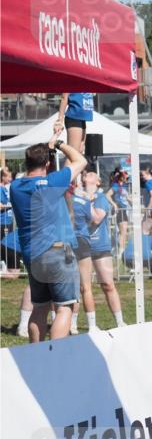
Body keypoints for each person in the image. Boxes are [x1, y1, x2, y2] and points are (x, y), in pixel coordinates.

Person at [9, 123, 88, 341]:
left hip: (32, 254)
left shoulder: (15, 187)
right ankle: (55, 355)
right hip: (57, 251)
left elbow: (37, 175)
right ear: (47, 163)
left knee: (40, 307)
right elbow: (80, 161)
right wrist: (59, 144)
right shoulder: (52, 183)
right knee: (64, 308)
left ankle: (37, 353)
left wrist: (49, 147)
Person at [72, 171, 125, 332]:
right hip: (80, 245)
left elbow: (96, 219)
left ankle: (120, 322)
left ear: (98, 181)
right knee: (79, 287)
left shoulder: (101, 198)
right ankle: (73, 324)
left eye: (92, 174)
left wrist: (87, 202)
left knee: (108, 284)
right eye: (86, 173)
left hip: (99, 246)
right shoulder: (77, 196)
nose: (87, 174)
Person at [58, 93, 94, 160]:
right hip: (74, 116)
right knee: (73, 154)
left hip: (82, 118)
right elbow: (64, 97)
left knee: (79, 152)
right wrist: (59, 121)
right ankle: (67, 169)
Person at [0, 167, 13, 241]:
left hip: (9, 221)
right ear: (3, 177)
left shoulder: (5, 188)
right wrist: (12, 205)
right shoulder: (0, 189)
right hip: (3, 222)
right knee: (4, 243)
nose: (10, 179)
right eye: (8, 177)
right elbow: (0, 206)